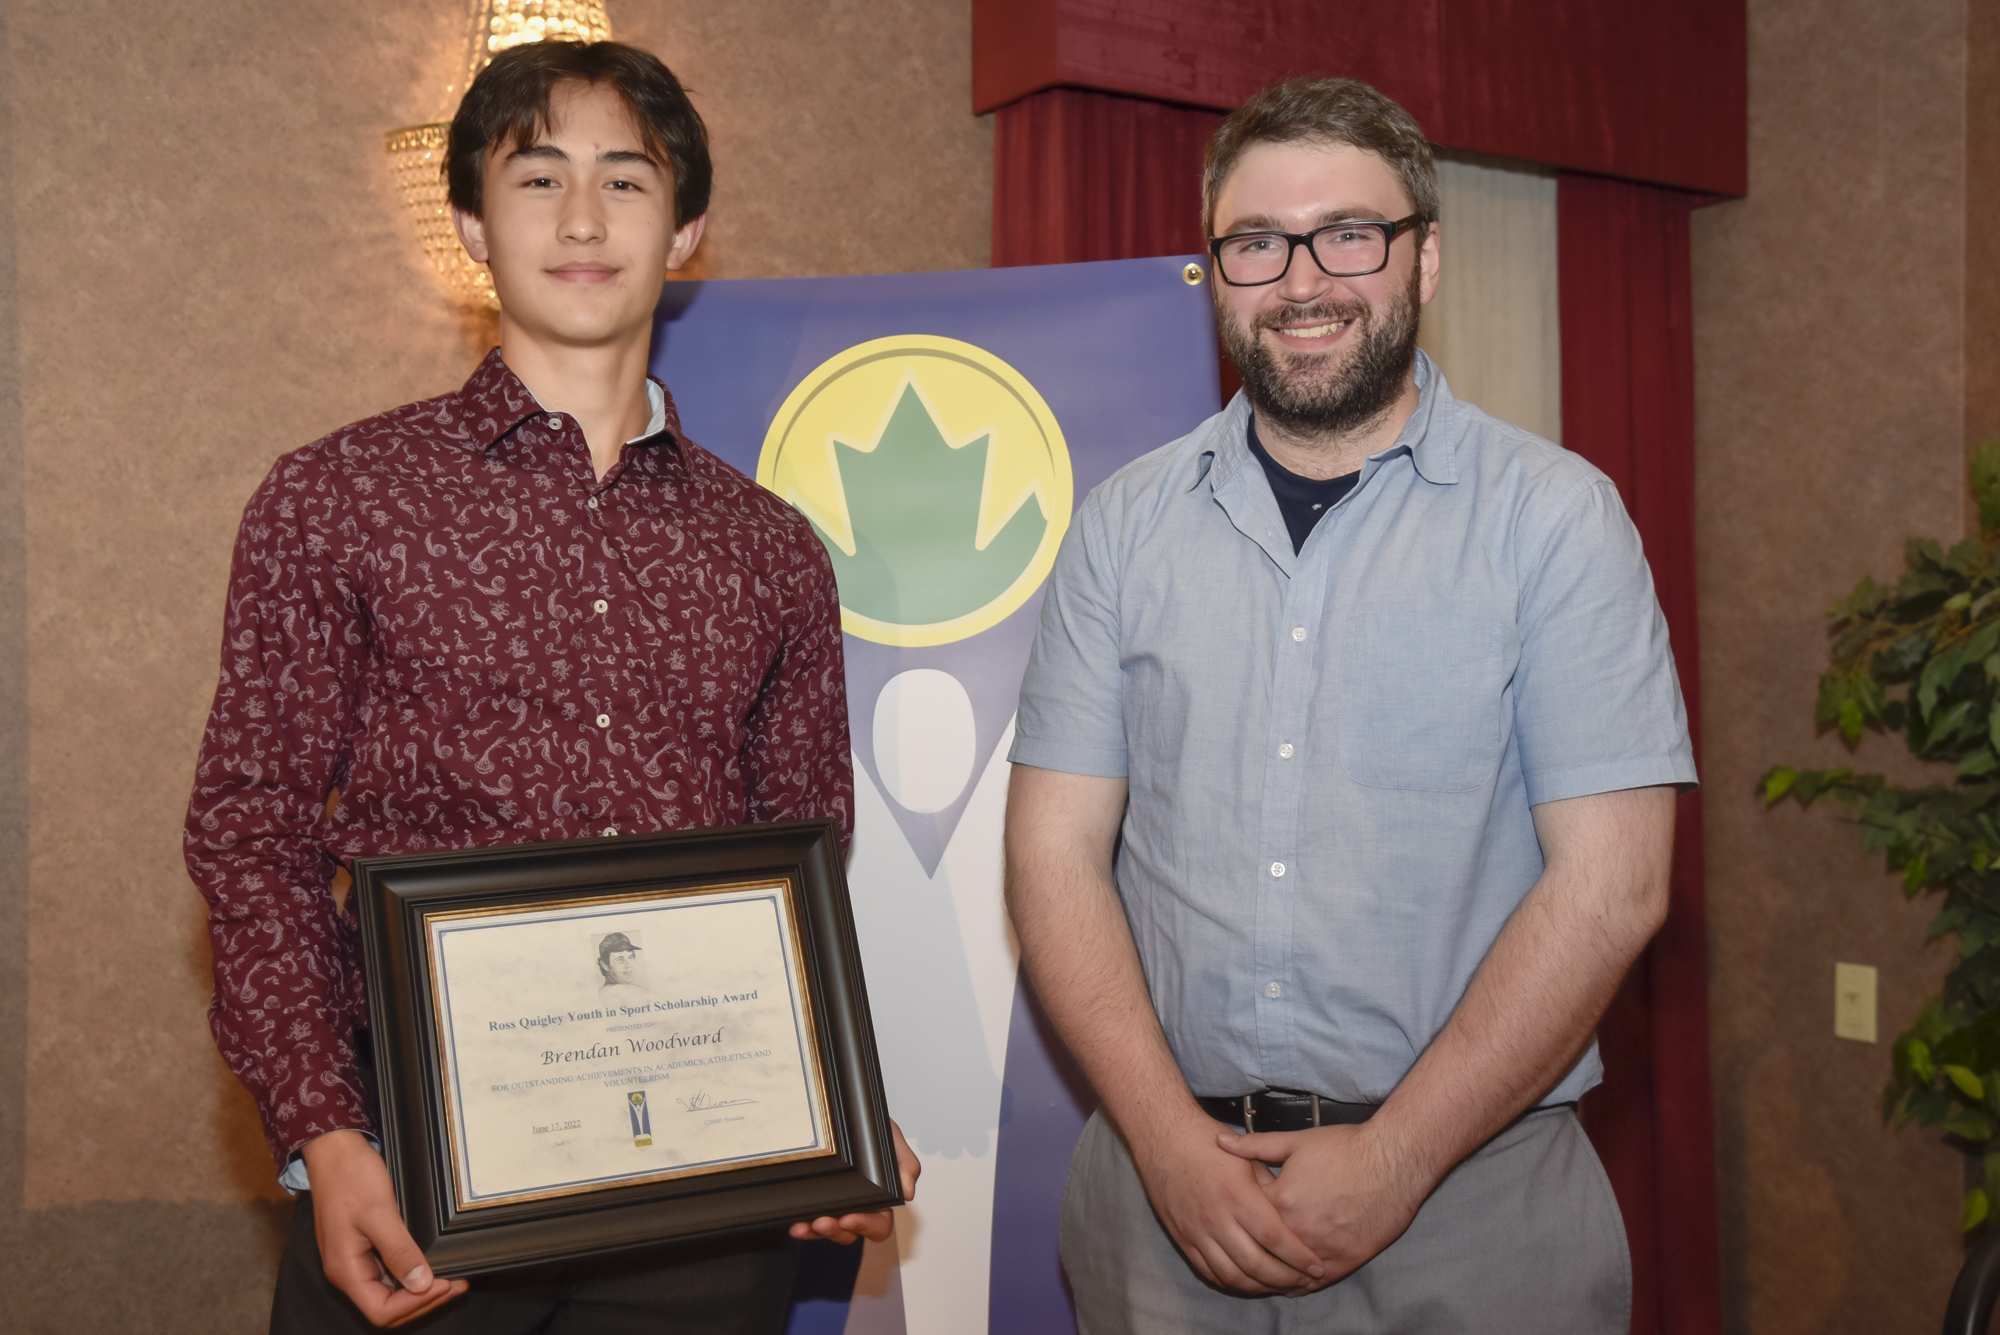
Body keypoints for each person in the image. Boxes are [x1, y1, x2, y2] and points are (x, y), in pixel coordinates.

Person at [185, 40, 915, 1333]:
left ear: (687, 230)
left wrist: (827, 1109)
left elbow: (805, 855)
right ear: (470, 220)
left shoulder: (775, 548)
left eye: (626, 181)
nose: (583, 219)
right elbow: (252, 833)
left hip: (706, 1188)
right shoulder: (336, 497)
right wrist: (324, 1132)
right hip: (419, 1191)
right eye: (539, 178)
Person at [1003, 76, 1693, 1334]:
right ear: (1213, 272)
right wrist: (1163, 1143)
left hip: (1472, 1211)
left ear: (1423, 259)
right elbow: (1052, 858)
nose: (1301, 279)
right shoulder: (1121, 528)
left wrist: (1394, 1158)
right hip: (1163, 1206)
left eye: (1349, 236)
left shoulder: (1554, 520)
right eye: (1255, 243)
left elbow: (1612, 886)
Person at [596, 932, 649, 1003]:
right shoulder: (636, 992)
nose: (628, 964)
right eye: (620, 959)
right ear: (605, 965)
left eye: (630, 957)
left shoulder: (600, 992)